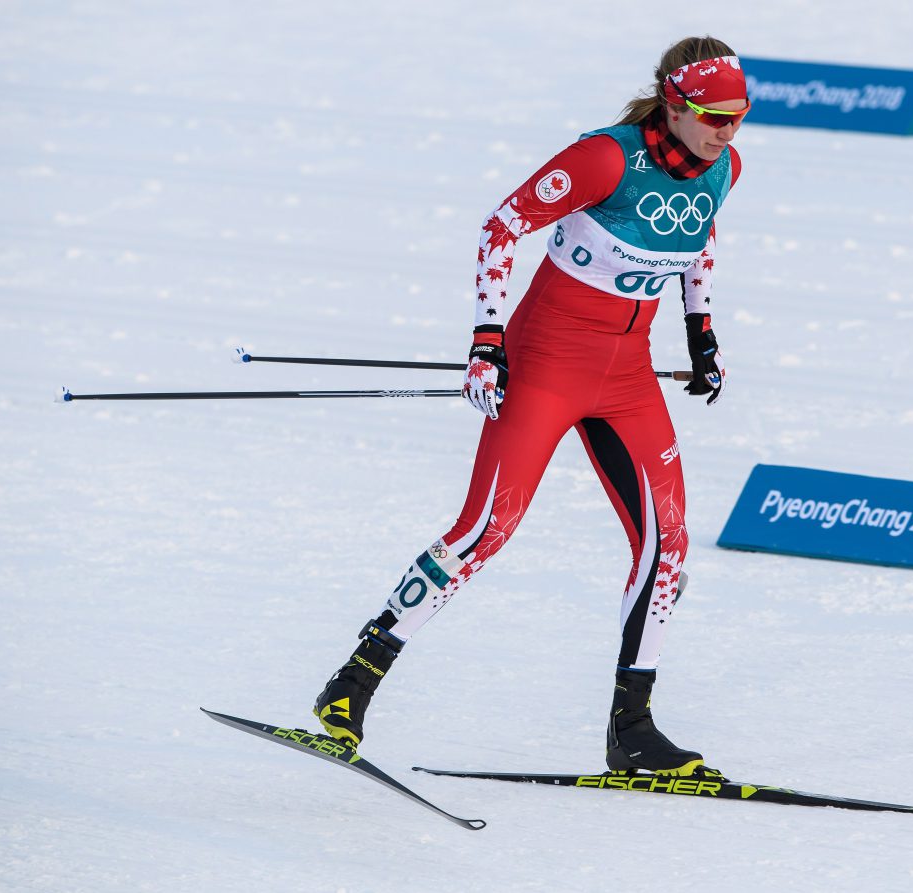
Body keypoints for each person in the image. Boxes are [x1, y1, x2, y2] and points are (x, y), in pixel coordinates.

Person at [312, 37, 748, 777]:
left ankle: (632, 730)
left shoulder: (725, 167)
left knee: (668, 547)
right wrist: (487, 340)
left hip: (629, 378)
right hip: (546, 366)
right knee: (487, 527)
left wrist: (701, 333)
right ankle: (350, 684)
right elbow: (502, 225)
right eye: (711, 115)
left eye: (738, 116)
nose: (725, 131)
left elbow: (699, 243)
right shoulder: (605, 160)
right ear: (673, 105)